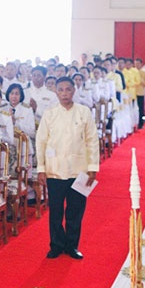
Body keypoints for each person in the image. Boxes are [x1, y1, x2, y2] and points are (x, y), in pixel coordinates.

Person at [35, 77, 99, 260]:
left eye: (68, 89)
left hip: (80, 171)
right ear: (56, 91)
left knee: (75, 211)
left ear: (74, 91)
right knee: (55, 211)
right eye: (61, 90)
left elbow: (92, 141)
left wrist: (93, 167)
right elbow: (41, 142)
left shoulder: (84, 112)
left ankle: (72, 245)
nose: (64, 93)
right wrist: (41, 168)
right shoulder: (50, 114)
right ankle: (56, 245)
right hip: (54, 170)